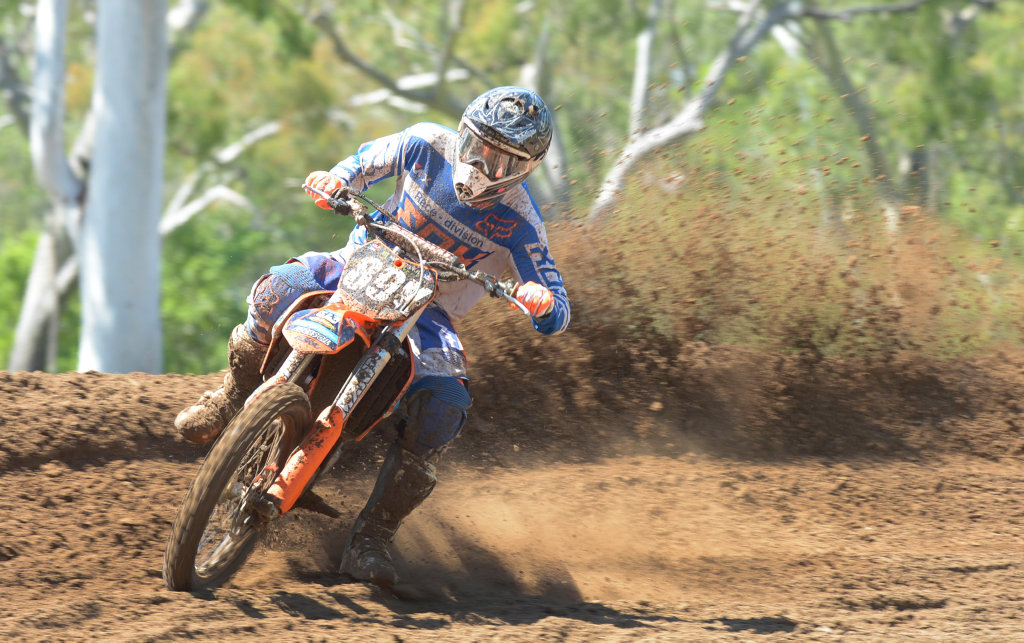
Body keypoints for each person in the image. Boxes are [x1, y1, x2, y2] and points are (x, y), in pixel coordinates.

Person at [174, 86, 570, 587]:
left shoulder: (522, 222)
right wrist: (333, 180)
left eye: (502, 162)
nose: (482, 166)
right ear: (462, 133)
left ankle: (373, 536)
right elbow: (361, 163)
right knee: (279, 287)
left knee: (444, 405)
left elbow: (558, 308)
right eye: (477, 148)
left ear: (526, 169)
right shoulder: (424, 143)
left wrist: (542, 302)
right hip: (359, 262)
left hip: (429, 311)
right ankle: (232, 397)